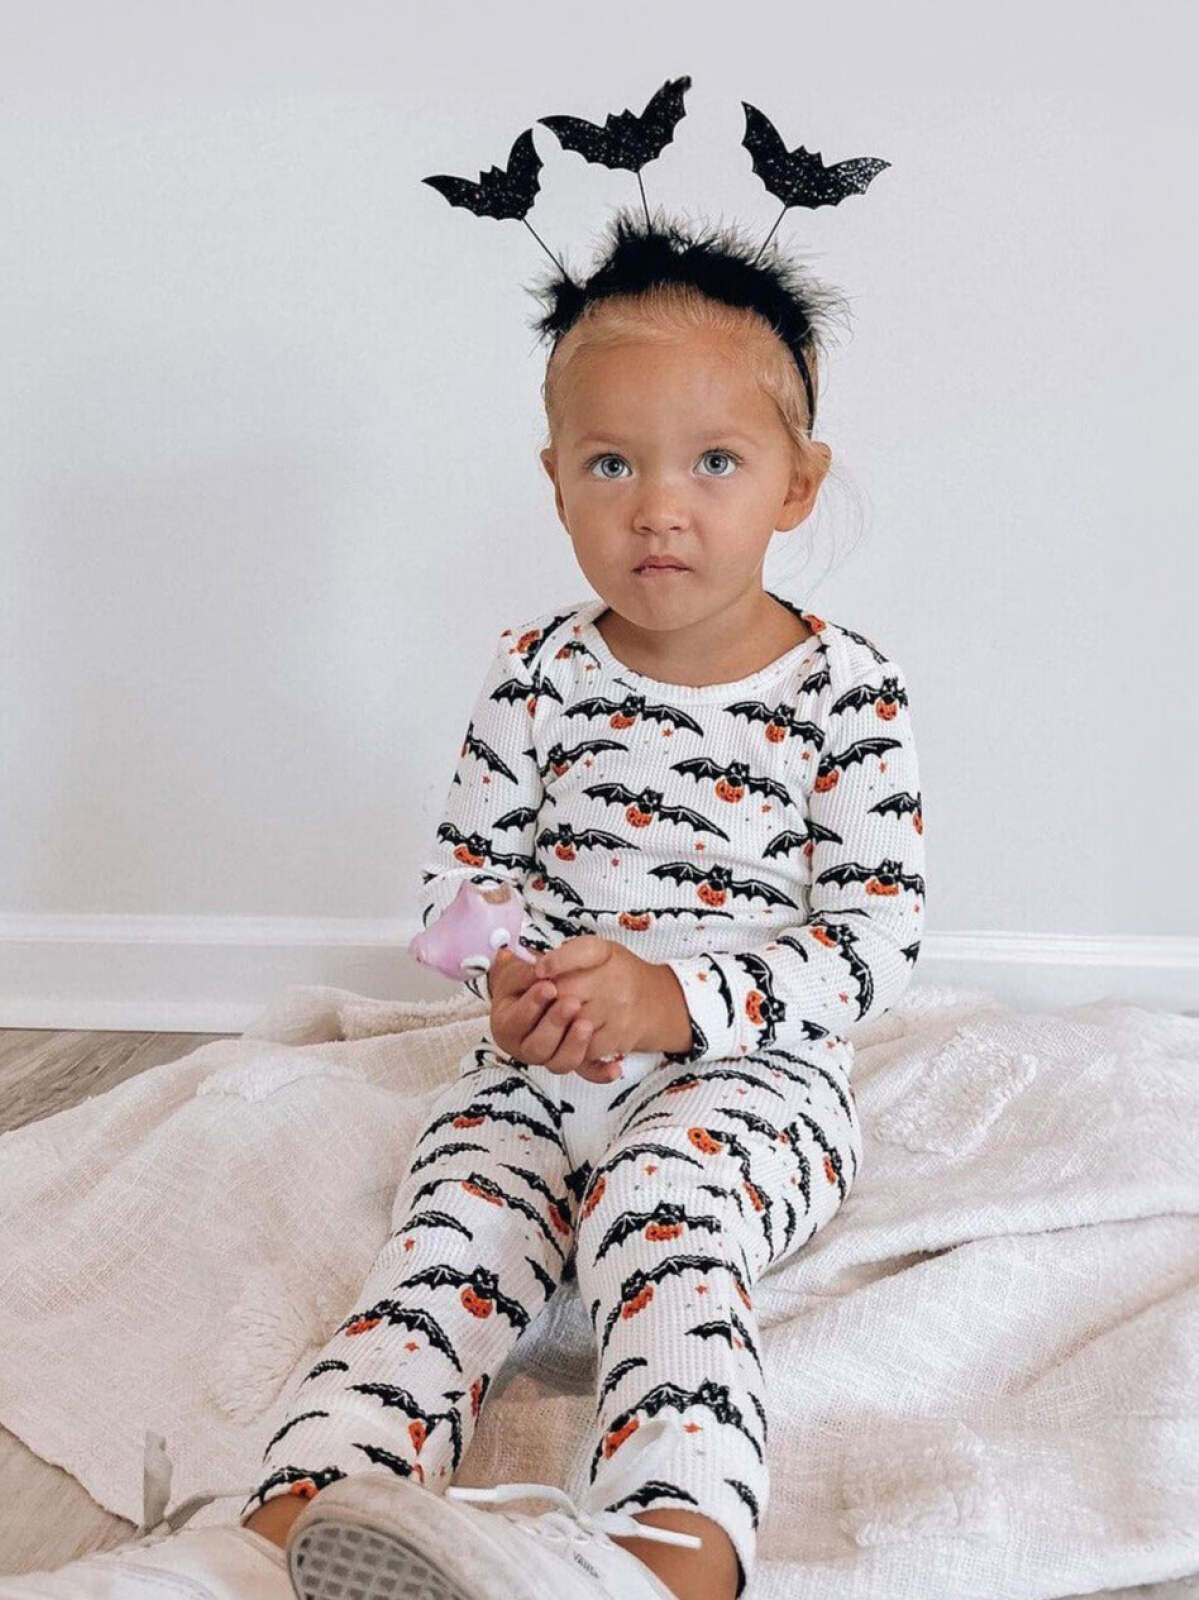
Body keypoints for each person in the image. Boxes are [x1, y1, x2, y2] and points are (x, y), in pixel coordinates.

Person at [234, 209, 926, 1600]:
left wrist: (676, 999)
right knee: (445, 1249)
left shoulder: (845, 693)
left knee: (660, 1216)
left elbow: (878, 940)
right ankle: (282, 1531)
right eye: (612, 463)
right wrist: (501, 977)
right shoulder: (536, 673)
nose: (658, 506)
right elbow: (463, 877)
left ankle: (668, 1556)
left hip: (748, 1082)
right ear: (556, 481)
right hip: (538, 1073)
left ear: (798, 484)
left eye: (714, 462)